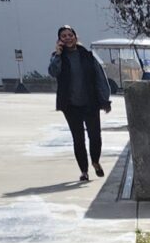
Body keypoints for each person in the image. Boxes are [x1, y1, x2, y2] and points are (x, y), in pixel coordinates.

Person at [48, 26, 115, 183]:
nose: (67, 38)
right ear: (59, 40)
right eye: (63, 36)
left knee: (95, 136)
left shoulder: (88, 55)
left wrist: (105, 99)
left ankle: (95, 161)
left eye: (70, 35)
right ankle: (84, 171)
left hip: (90, 102)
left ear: (76, 37)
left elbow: (100, 77)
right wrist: (58, 54)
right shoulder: (57, 57)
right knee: (78, 139)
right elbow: (53, 72)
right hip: (70, 105)